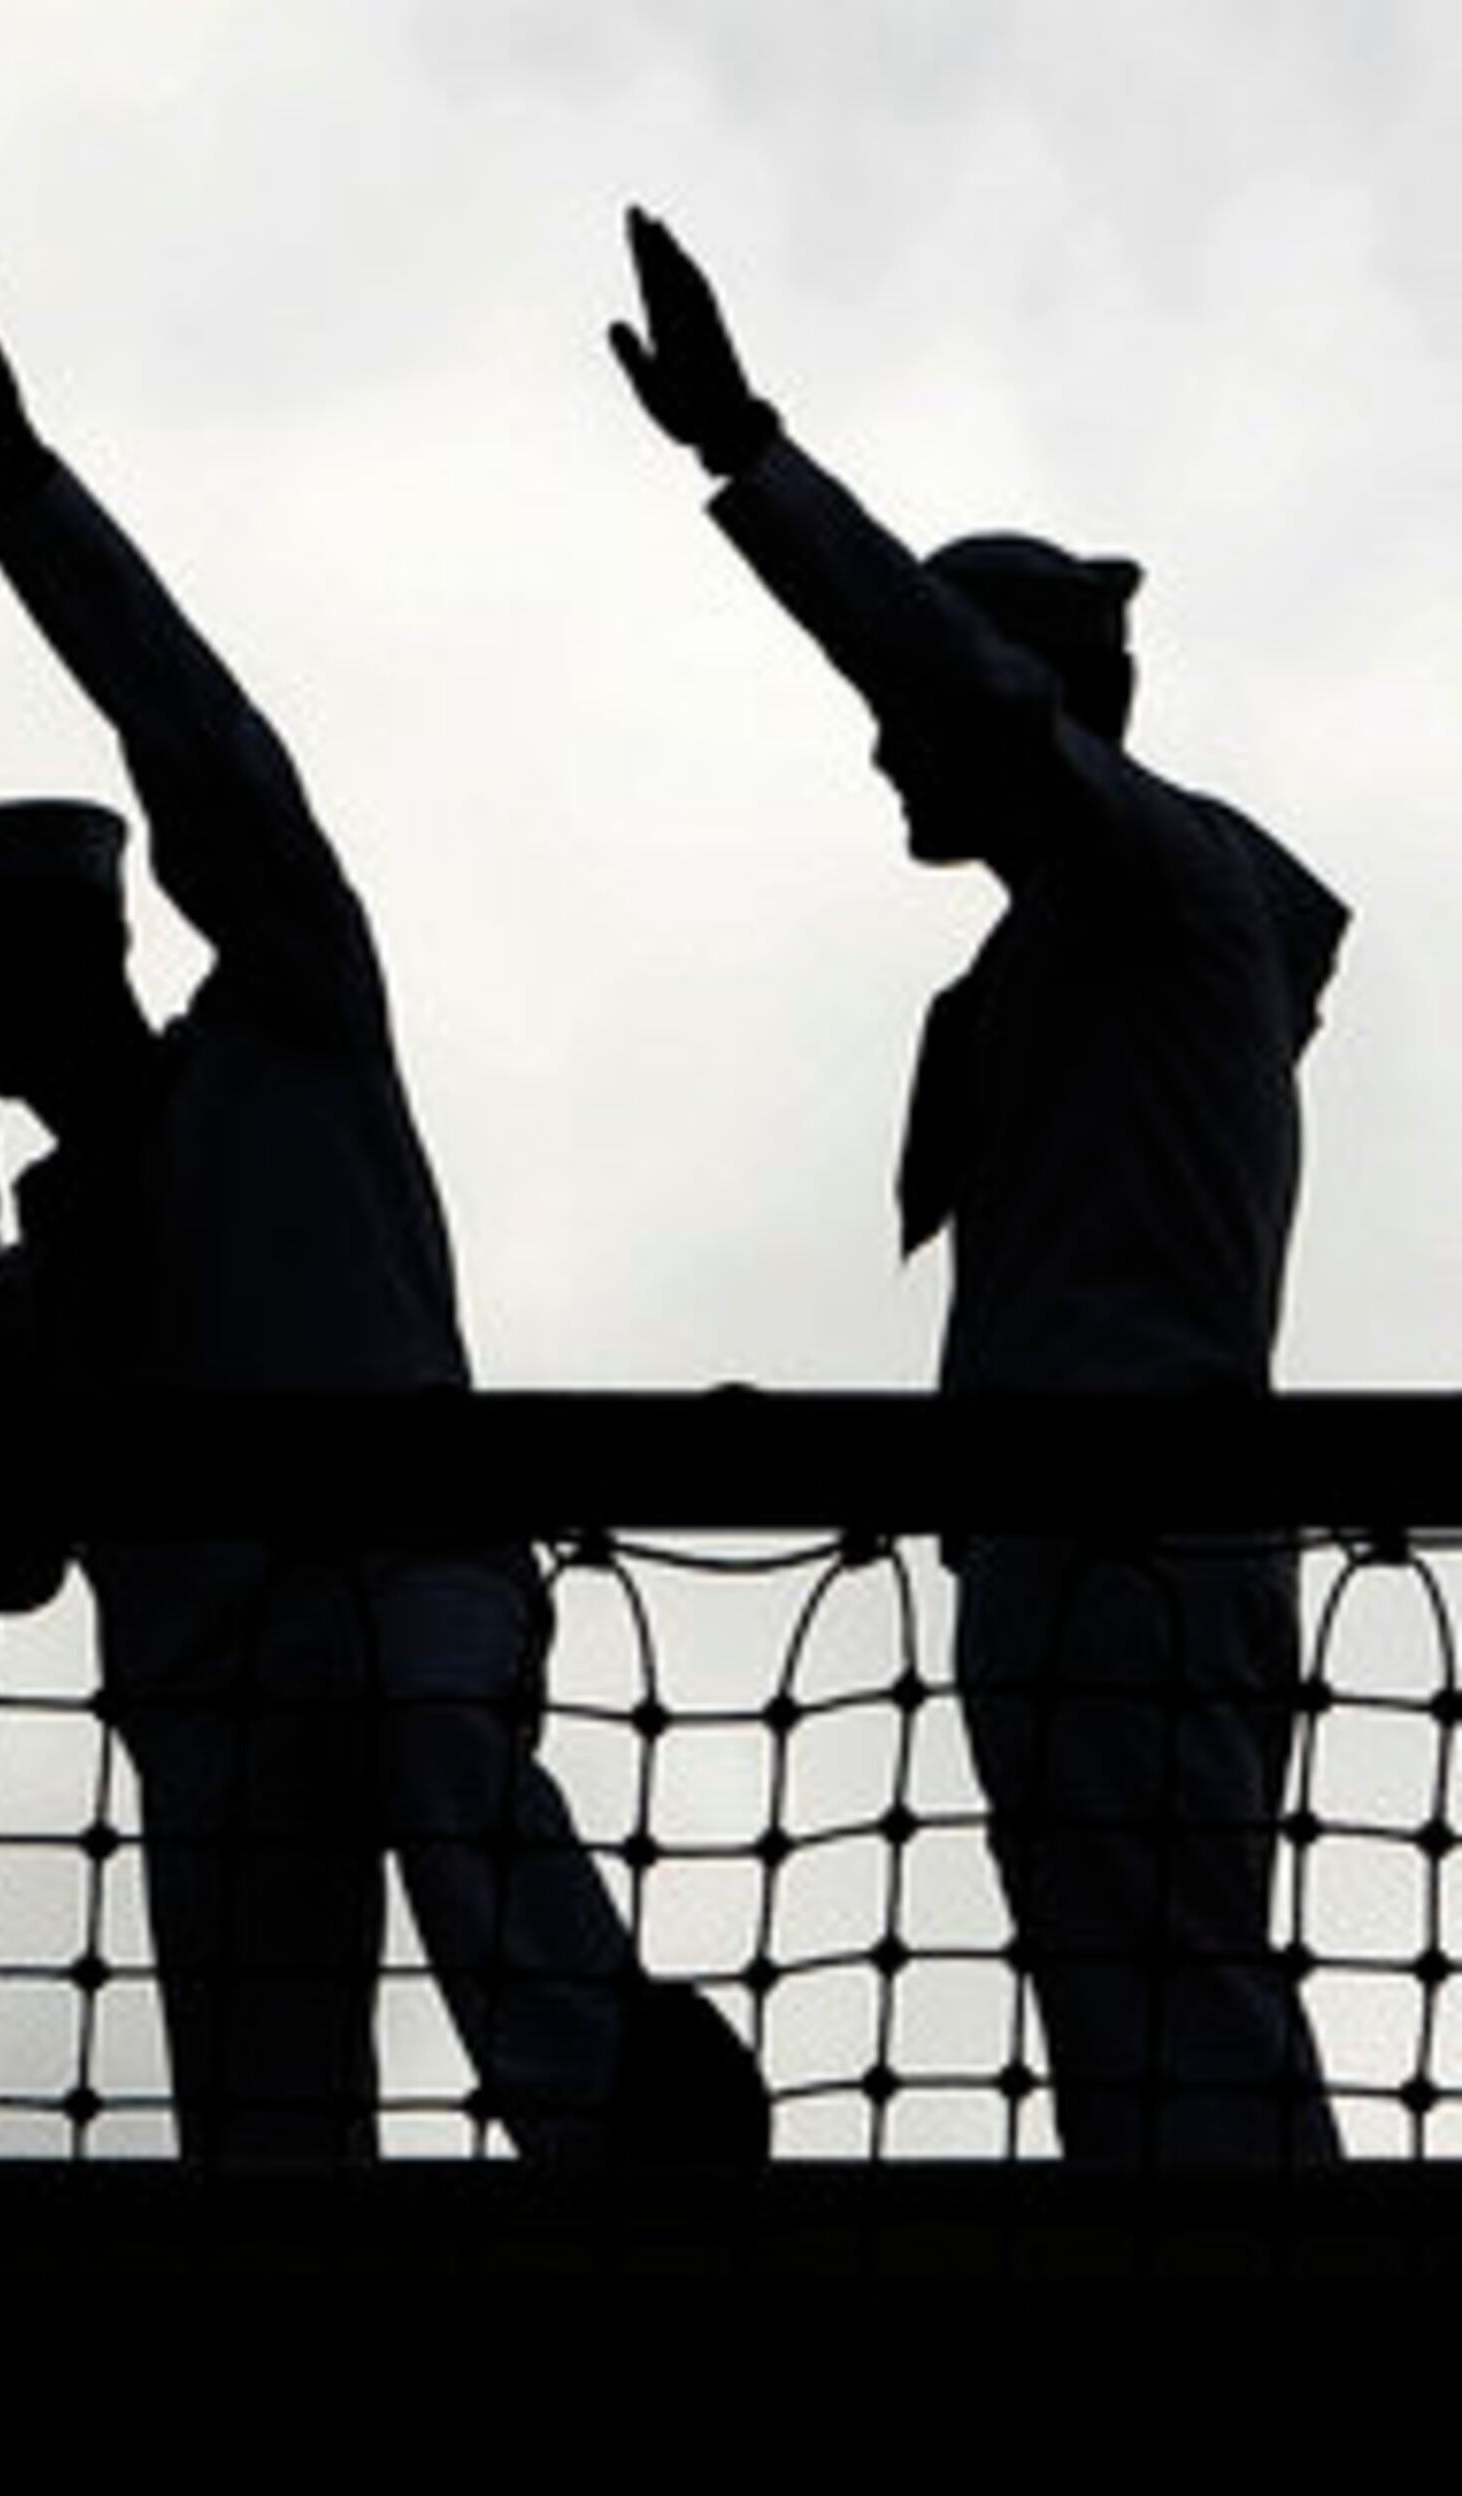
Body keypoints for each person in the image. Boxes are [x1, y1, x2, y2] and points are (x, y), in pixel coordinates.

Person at [0, 244, 762, 2164]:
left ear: (77, 954)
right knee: (261, 2119)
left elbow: (210, 754)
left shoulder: (290, 1022)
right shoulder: (40, 1242)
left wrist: (15, 473)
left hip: (405, 1561)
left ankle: (629, 2121)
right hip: (206, 1689)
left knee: (443, 1737)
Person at [611, 209, 1347, 2164]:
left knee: (1165, 1999)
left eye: (915, 710)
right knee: (1140, 2002)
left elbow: (962, 694)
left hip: (1129, 1522)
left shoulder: (1154, 880)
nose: (884, 749)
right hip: (1070, 1527)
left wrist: (742, 451)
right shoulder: (1089, 947)